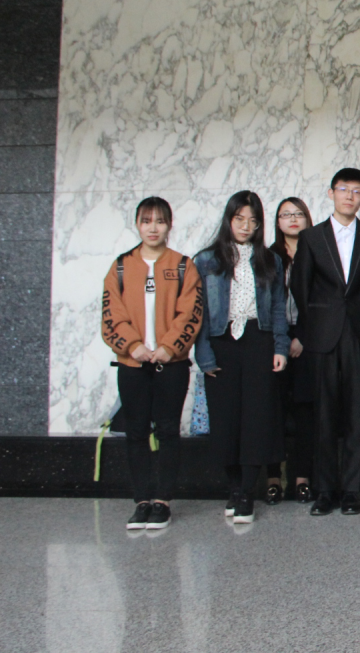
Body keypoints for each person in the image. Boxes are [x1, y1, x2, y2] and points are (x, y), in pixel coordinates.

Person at [100, 197, 204, 531]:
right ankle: (141, 500)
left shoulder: (183, 266)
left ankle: (162, 501)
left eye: (160, 221)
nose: (153, 228)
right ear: (137, 224)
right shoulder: (120, 267)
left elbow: (191, 313)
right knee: (135, 432)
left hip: (170, 365)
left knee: (168, 430)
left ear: (169, 225)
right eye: (147, 221)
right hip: (132, 365)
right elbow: (111, 315)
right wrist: (133, 346)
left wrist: (168, 347)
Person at [290, 168, 360, 517]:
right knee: (324, 414)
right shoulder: (311, 237)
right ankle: (324, 490)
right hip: (322, 334)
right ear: (331, 193)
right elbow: (300, 287)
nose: (349, 196)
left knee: (356, 414)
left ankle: (350, 490)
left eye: (357, 191)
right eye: (344, 189)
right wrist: (316, 322)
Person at [193, 191, 289, 524]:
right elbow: (199, 314)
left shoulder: (270, 260)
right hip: (221, 342)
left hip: (258, 339)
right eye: (239, 219)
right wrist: (204, 354)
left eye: (253, 220)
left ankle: (247, 491)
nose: (246, 226)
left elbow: (278, 308)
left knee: (256, 419)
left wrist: (280, 347)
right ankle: (233, 488)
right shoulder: (206, 261)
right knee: (226, 419)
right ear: (229, 220)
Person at [266, 197, 314, 504]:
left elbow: (324, 303)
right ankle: (273, 479)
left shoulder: (319, 252)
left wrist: (303, 337)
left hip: (309, 341)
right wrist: (282, 341)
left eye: (298, 213)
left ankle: (302, 479)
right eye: (286, 214)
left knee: (305, 413)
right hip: (274, 342)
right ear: (277, 221)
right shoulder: (268, 256)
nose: (293, 219)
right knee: (274, 412)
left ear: (307, 218)